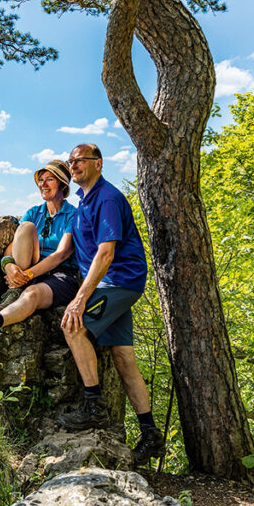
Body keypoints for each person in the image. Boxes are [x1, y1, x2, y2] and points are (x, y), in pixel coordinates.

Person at [57, 143, 164, 465]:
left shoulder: (107, 198)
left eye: (80, 161)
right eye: (70, 161)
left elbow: (106, 252)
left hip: (119, 280)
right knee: (124, 358)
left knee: (72, 326)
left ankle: (94, 408)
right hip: (113, 283)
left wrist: (79, 298)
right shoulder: (84, 201)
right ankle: (151, 434)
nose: (73, 166)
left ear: (98, 164)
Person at [0, 159, 80, 349]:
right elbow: (13, 246)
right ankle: (15, 290)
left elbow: (62, 254)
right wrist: (9, 266)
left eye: (49, 179)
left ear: (62, 184)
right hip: (29, 270)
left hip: (60, 275)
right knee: (25, 227)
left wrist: (28, 276)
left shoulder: (74, 215)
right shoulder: (34, 212)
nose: (43, 184)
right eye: (41, 180)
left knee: (32, 294)